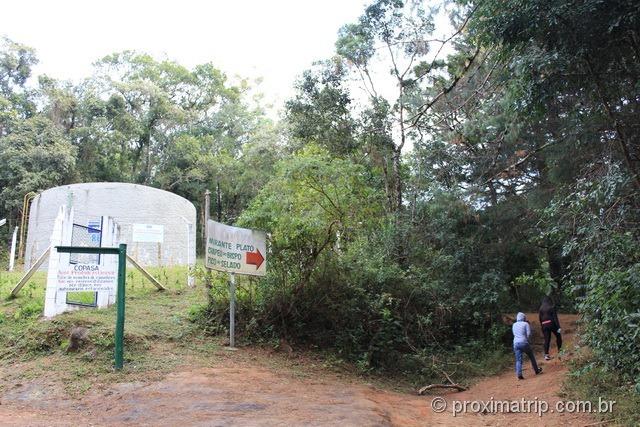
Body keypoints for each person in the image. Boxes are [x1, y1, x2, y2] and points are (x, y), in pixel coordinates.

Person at [512, 312, 543, 379]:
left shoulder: (514, 325)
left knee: (518, 360)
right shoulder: (525, 324)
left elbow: (514, 334)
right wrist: (527, 340)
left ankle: (519, 374)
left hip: (516, 344)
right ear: (523, 318)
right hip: (524, 343)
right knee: (531, 356)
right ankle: (536, 370)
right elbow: (529, 334)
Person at [539, 296, 562, 360]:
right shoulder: (551, 307)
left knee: (547, 340)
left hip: (544, 325)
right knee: (558, 337)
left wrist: (542, 327)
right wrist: (558, 327)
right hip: (551, 324)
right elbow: (555, 318)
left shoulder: (541, 308)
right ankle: (560, 352)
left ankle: (546, 355)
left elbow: (540, 319)